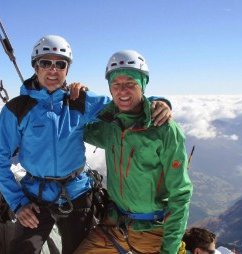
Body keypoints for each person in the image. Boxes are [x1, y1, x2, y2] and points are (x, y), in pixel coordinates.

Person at [0, 36, 171, 254]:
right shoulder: (17, 109)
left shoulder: (79, 101)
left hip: (76, 193)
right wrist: (18, 203)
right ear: (35, 66)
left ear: (68, 69)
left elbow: (124, 102)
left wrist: (159, 103)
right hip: (35, 197)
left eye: (60, 64)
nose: (53, 70)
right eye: (46, 63)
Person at [74, 50, 193, 254]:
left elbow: (180, 194)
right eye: (116, 85)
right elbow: (75, 129)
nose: (123, 91)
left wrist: (170, 249)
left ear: (143, 84)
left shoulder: (164, 129)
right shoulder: (110, 125)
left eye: (131, 83)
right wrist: (75, 98)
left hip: (153, 231)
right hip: (114, 225)